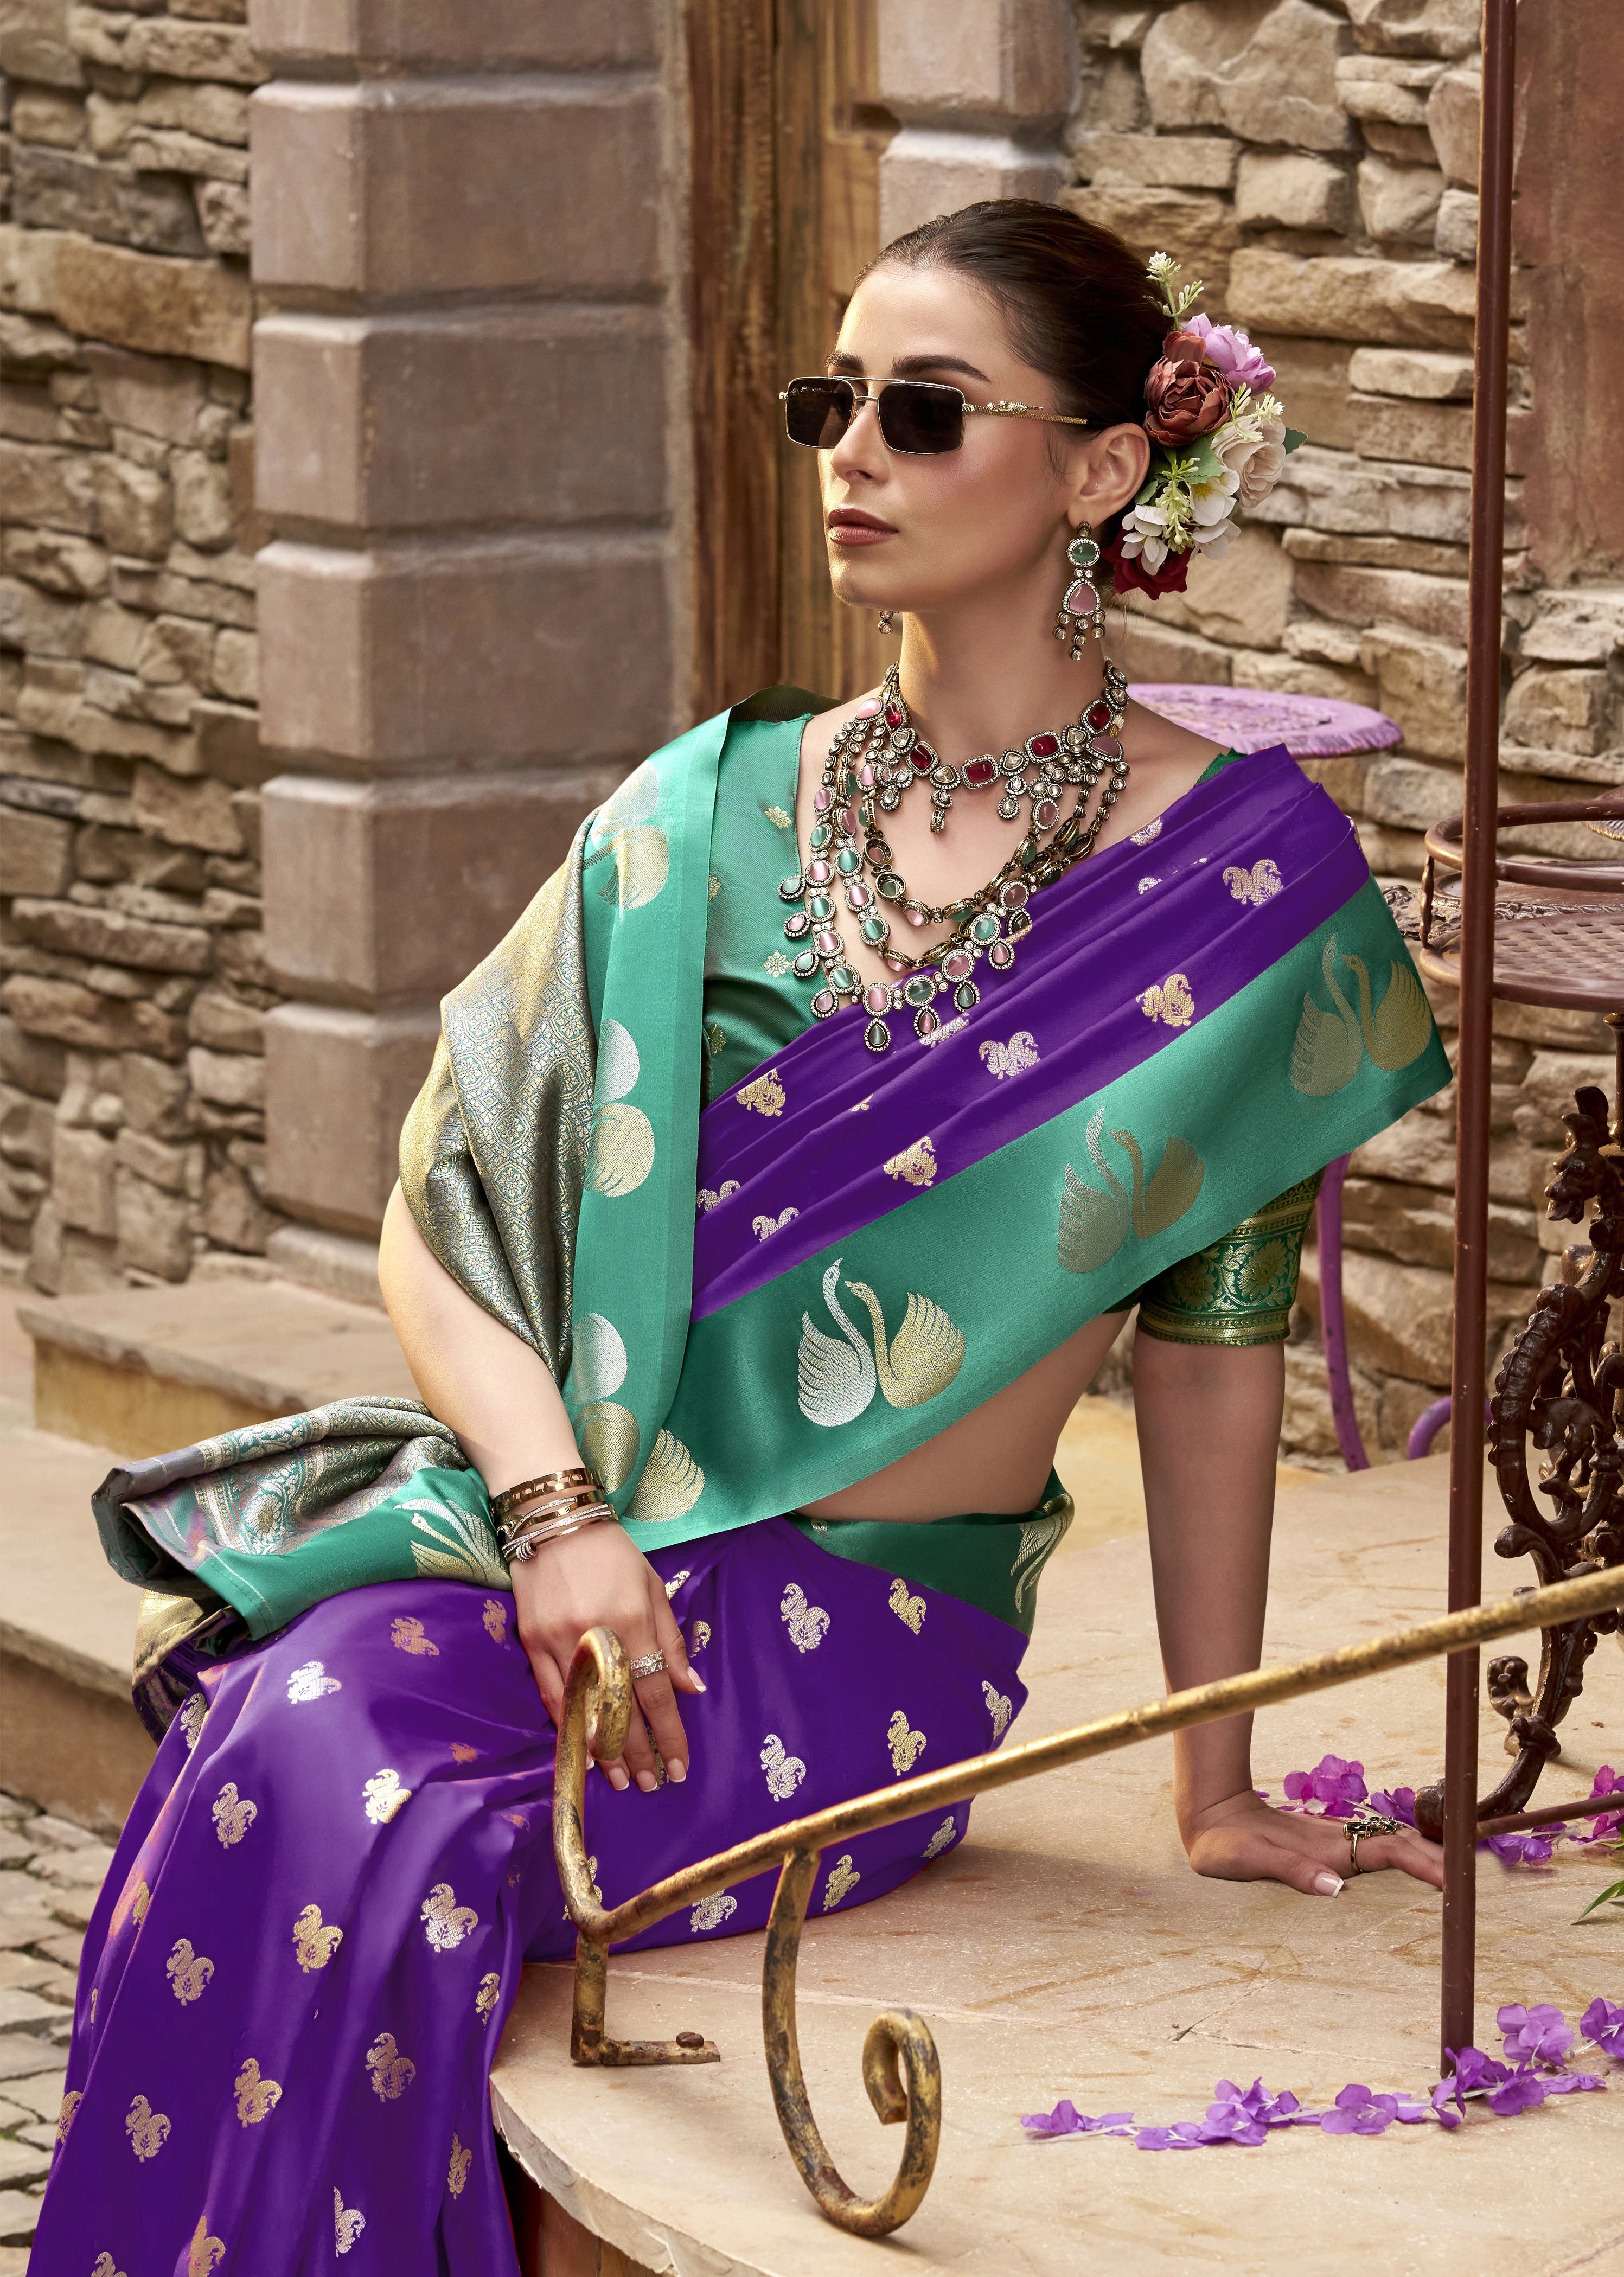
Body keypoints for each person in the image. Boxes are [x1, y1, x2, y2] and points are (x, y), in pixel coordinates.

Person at [34, 201, 1450, 2274]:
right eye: (830, 402)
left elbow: (1217, 1347)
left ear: (1103, 468)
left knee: (375, 1796)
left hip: (867, 1641)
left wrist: (1205, 1778)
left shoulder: (1237, 886)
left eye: (922, 409)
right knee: (276, 1732)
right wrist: (553, 1521)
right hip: (574, 1553)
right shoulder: (701, 813)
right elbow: (449, 1224)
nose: (850, 451)